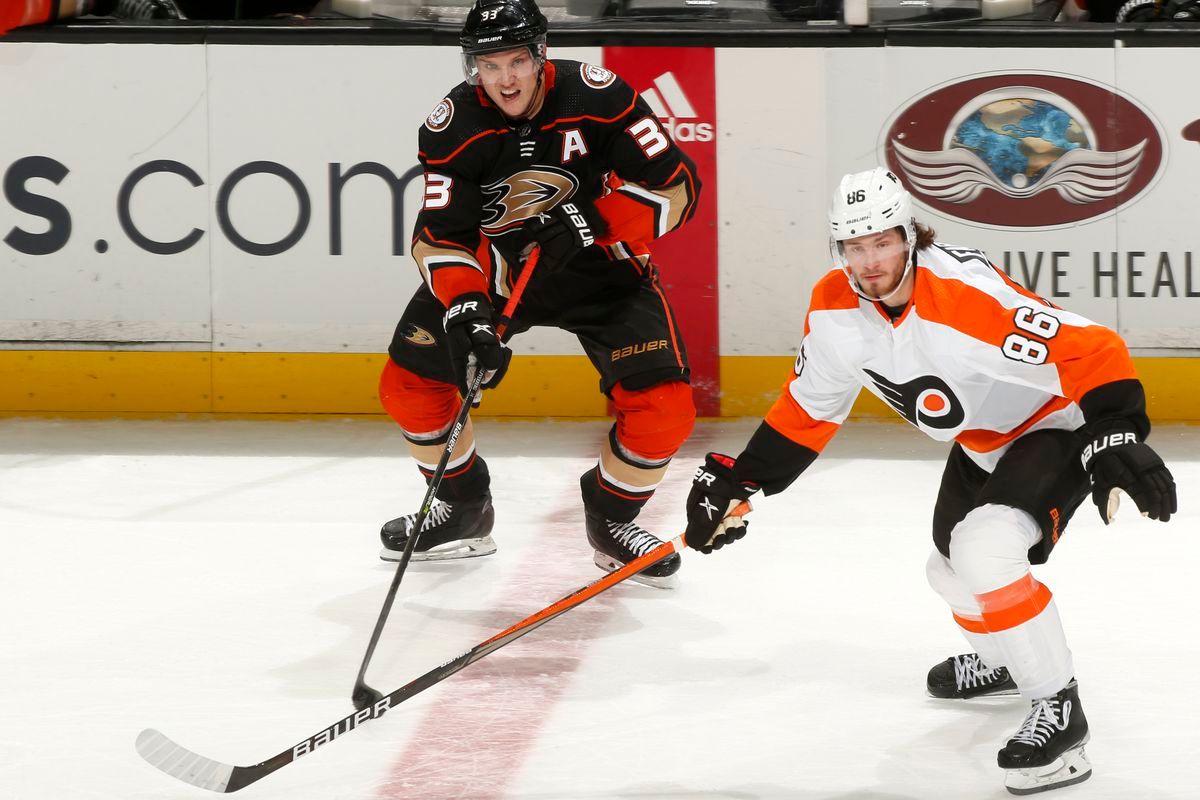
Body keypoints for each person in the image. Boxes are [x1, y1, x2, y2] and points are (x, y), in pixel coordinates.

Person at [682, 167, 1177, 793]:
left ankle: (1060, 712)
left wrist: (1116, 431)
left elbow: (1093, 347)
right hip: (980, 442)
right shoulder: (836, 309)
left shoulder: (962, 296)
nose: (870, 261)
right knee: (946, 571)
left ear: (909, 235)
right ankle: (1002, 661)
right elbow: (811, 406)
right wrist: (741, 481)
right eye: (854, 247)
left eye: (882, 242)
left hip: (1051, 426)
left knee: (985, 551)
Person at [376, 0, 702, 589]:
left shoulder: (597, 96)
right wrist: (468, 306)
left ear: (540, 54)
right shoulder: (452, 126)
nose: (505, 78)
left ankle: (612, 520)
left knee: (665, 410)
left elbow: (679, 188)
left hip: (600, 268)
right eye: (489, 63)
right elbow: (440, 238)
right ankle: (463, 509)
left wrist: (594, 221)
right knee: (409, 388)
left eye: (517, 61)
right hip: (499, 274)